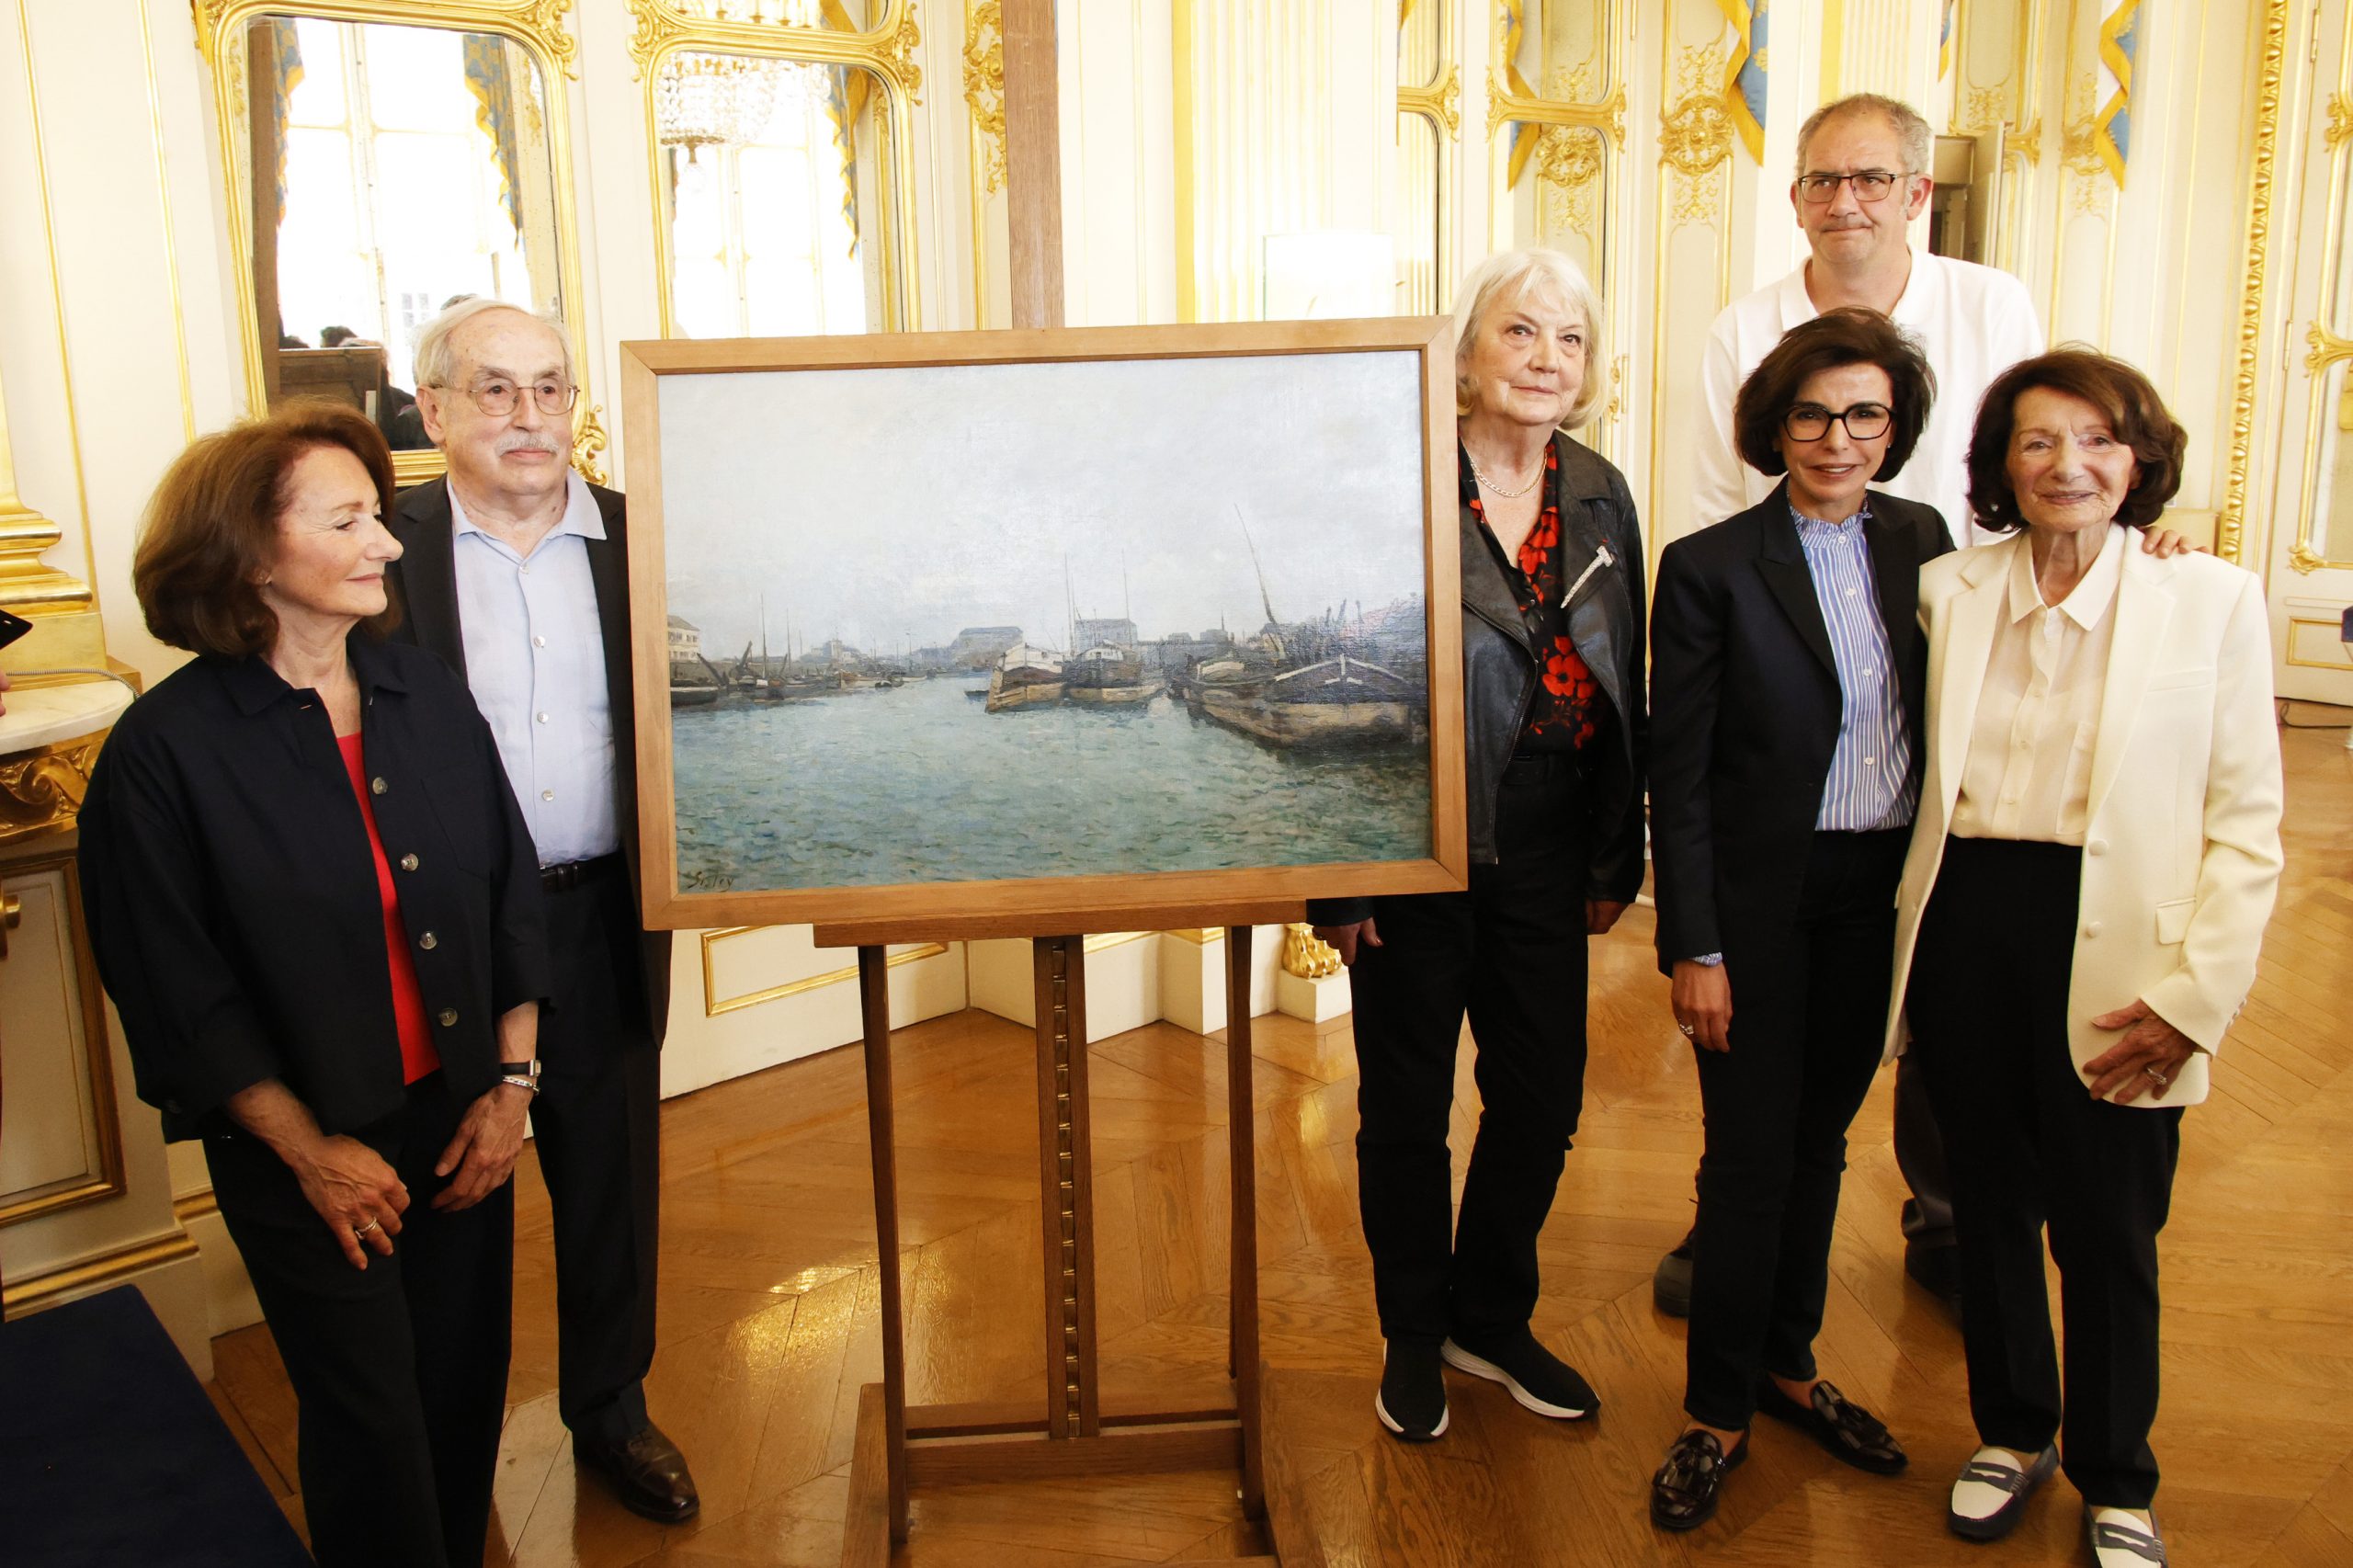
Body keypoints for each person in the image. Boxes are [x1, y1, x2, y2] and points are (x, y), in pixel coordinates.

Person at [79, 403, 550, 1568]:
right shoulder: (163, 754)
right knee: (370, 1423)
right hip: (308, 1146)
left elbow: (511, 896)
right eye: (349, 521)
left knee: (457, 1394)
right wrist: (309, 1154)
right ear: (250, 555)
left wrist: (513, 1087)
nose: (389, 545)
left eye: (381, 517)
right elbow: (177, 994)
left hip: (464, 1120)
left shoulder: (424, 692)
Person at [1654, 90, 2048, 1317]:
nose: (1847, 200)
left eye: (1871, 178)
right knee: (1762, 1081)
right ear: (1798, 199)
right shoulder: (1744, 329)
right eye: (1824, 180)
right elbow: (1726, 505)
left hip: (1951, 660)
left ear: (1916, 192)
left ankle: (1945, 1213)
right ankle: (1743, 1259)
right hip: (1784, 665)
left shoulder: (1992, 309)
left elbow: (2042, 466)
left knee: (1934, 976)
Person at [1888, 351, 2283, 1568]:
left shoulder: (2209, 598)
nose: (2069, 466)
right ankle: (2014, 1429)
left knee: (2110, 1226)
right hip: (1968, 926)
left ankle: (2120, 1477)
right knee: (1986, 1205)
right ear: (2002, 465)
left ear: (2139, 456)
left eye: (2098, 440)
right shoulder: (1948, 588)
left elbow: (2248, 822)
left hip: (2122, 945)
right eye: (2039, 442)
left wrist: (2196, 1001)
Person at [1308, 247, 1648, 1444]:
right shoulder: (1397, 482)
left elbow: (1624, 675)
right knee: (1406, 1105)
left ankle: (1489, 1317)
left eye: (1569, 339)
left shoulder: (1601, 489)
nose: (1547, 358)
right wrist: (1341, 880)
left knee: (1542, 1095)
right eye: (1521, 332)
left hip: (1553, 837)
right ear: (1466, 357)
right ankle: (1412, 1332)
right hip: (1418, 840)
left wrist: (1617, 854)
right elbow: (1366, 699)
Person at [387, 298, 699, 1522]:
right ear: (437, 410)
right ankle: (442, 1440)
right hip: (445, 934)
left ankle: (612, 1412)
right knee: (454, 1180)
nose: (530, 416)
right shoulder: (385, 552)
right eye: (497, 389)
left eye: (552, 388)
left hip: (606, 913)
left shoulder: (646, 537)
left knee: (612, 1176)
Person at [1644, 308, 1945, 1528]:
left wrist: (2160, 541)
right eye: (1813, 413)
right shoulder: (1712, 564)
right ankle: (1714, 1408)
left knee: (1821, 1143)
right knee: (1750, 1156)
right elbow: (1684, 769)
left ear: (1894, 427)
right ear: (1777, 424)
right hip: (1761, 906)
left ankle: (1789, 1361)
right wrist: (1696, 943)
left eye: (1864, 412)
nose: (1837, 436)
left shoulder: (1928, 545)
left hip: (1877, 897)